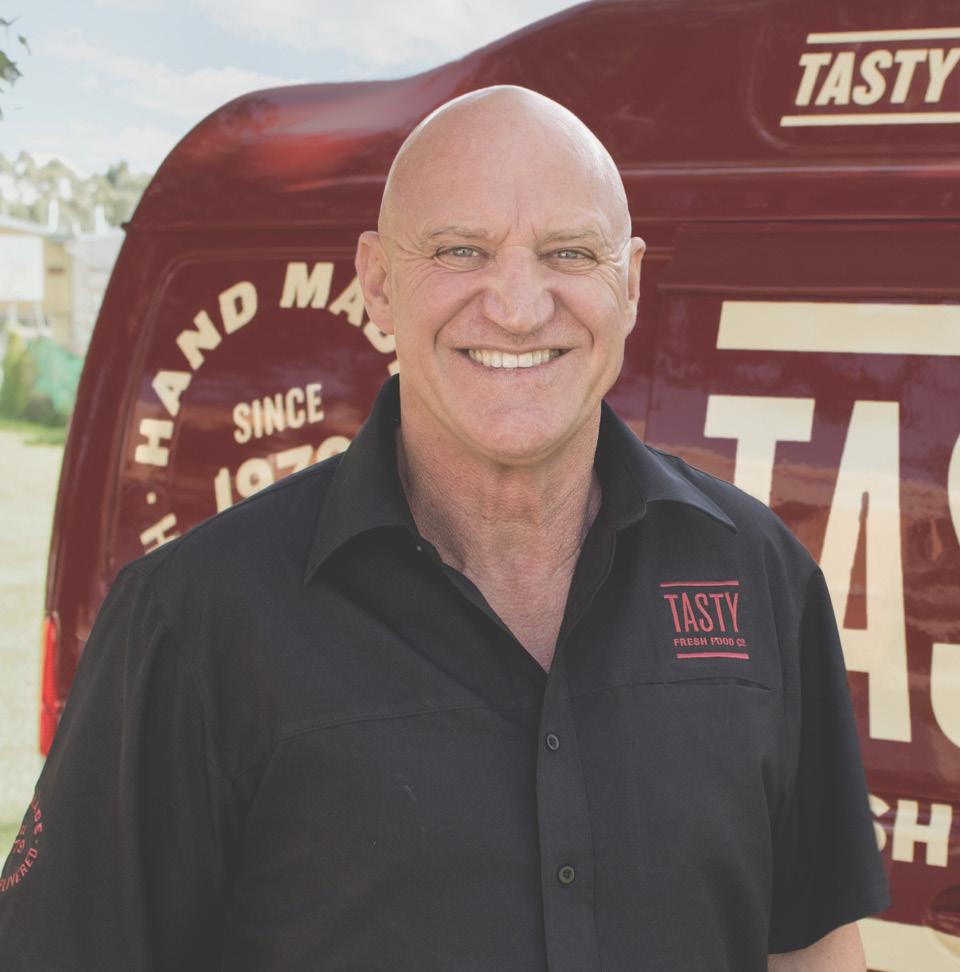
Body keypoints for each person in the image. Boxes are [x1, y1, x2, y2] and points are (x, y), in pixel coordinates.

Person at [0, 86, 888, 970]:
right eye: (462, 250)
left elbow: (812, 950)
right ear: (378, 285)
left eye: (570, 252)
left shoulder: (763, 579)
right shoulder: (194, 621)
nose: (518, 306)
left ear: (630, 283)